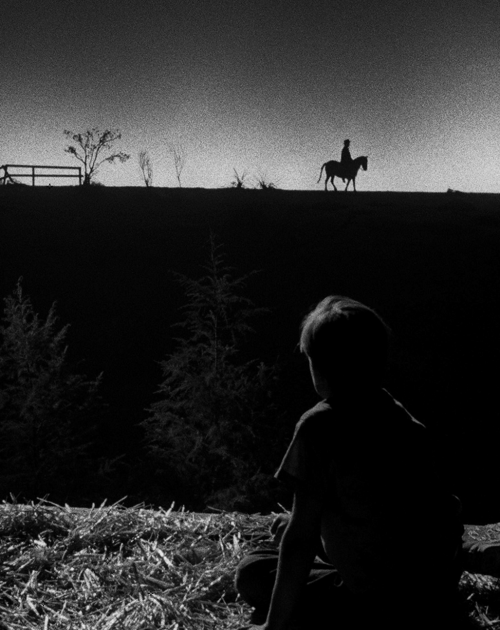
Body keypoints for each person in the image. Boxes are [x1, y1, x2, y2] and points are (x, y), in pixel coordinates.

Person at [235, 296, 466, 630]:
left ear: (321, 369)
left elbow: (300, 539)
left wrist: (273, 626)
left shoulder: (320, 426)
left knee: (253, 570)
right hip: (432, 592)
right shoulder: (404, 421)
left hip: (379, 602)